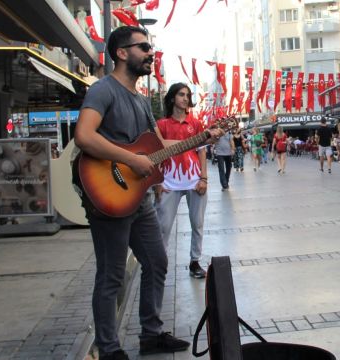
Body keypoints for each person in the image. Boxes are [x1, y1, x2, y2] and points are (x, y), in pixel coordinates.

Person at [74, 27, 221, 359]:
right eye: (144, 47)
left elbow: (157, 147)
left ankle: (151, 334)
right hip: (108, 196)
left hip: (138, 197)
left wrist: (202, 138)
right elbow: (84, 135)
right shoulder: (103, 90)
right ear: (122, 53)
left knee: (157, 260)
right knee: (111, 273)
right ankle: (110, 349)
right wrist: (130, 159)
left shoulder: (140, 100)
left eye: (151, 47)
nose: (151, 53)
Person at [154, 83, 213, 280]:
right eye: (181, 94)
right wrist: (157, 182)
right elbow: (155, 153)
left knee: (197, 223)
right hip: (168, 182)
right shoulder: (161, 125)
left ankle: (195, 262)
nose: (185, 98)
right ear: (172, 98)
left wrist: (204, 178)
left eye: (188, 95)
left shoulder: (195, 124)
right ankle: (159, 264)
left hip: (194, 180)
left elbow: (202, 150)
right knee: (163, 226)